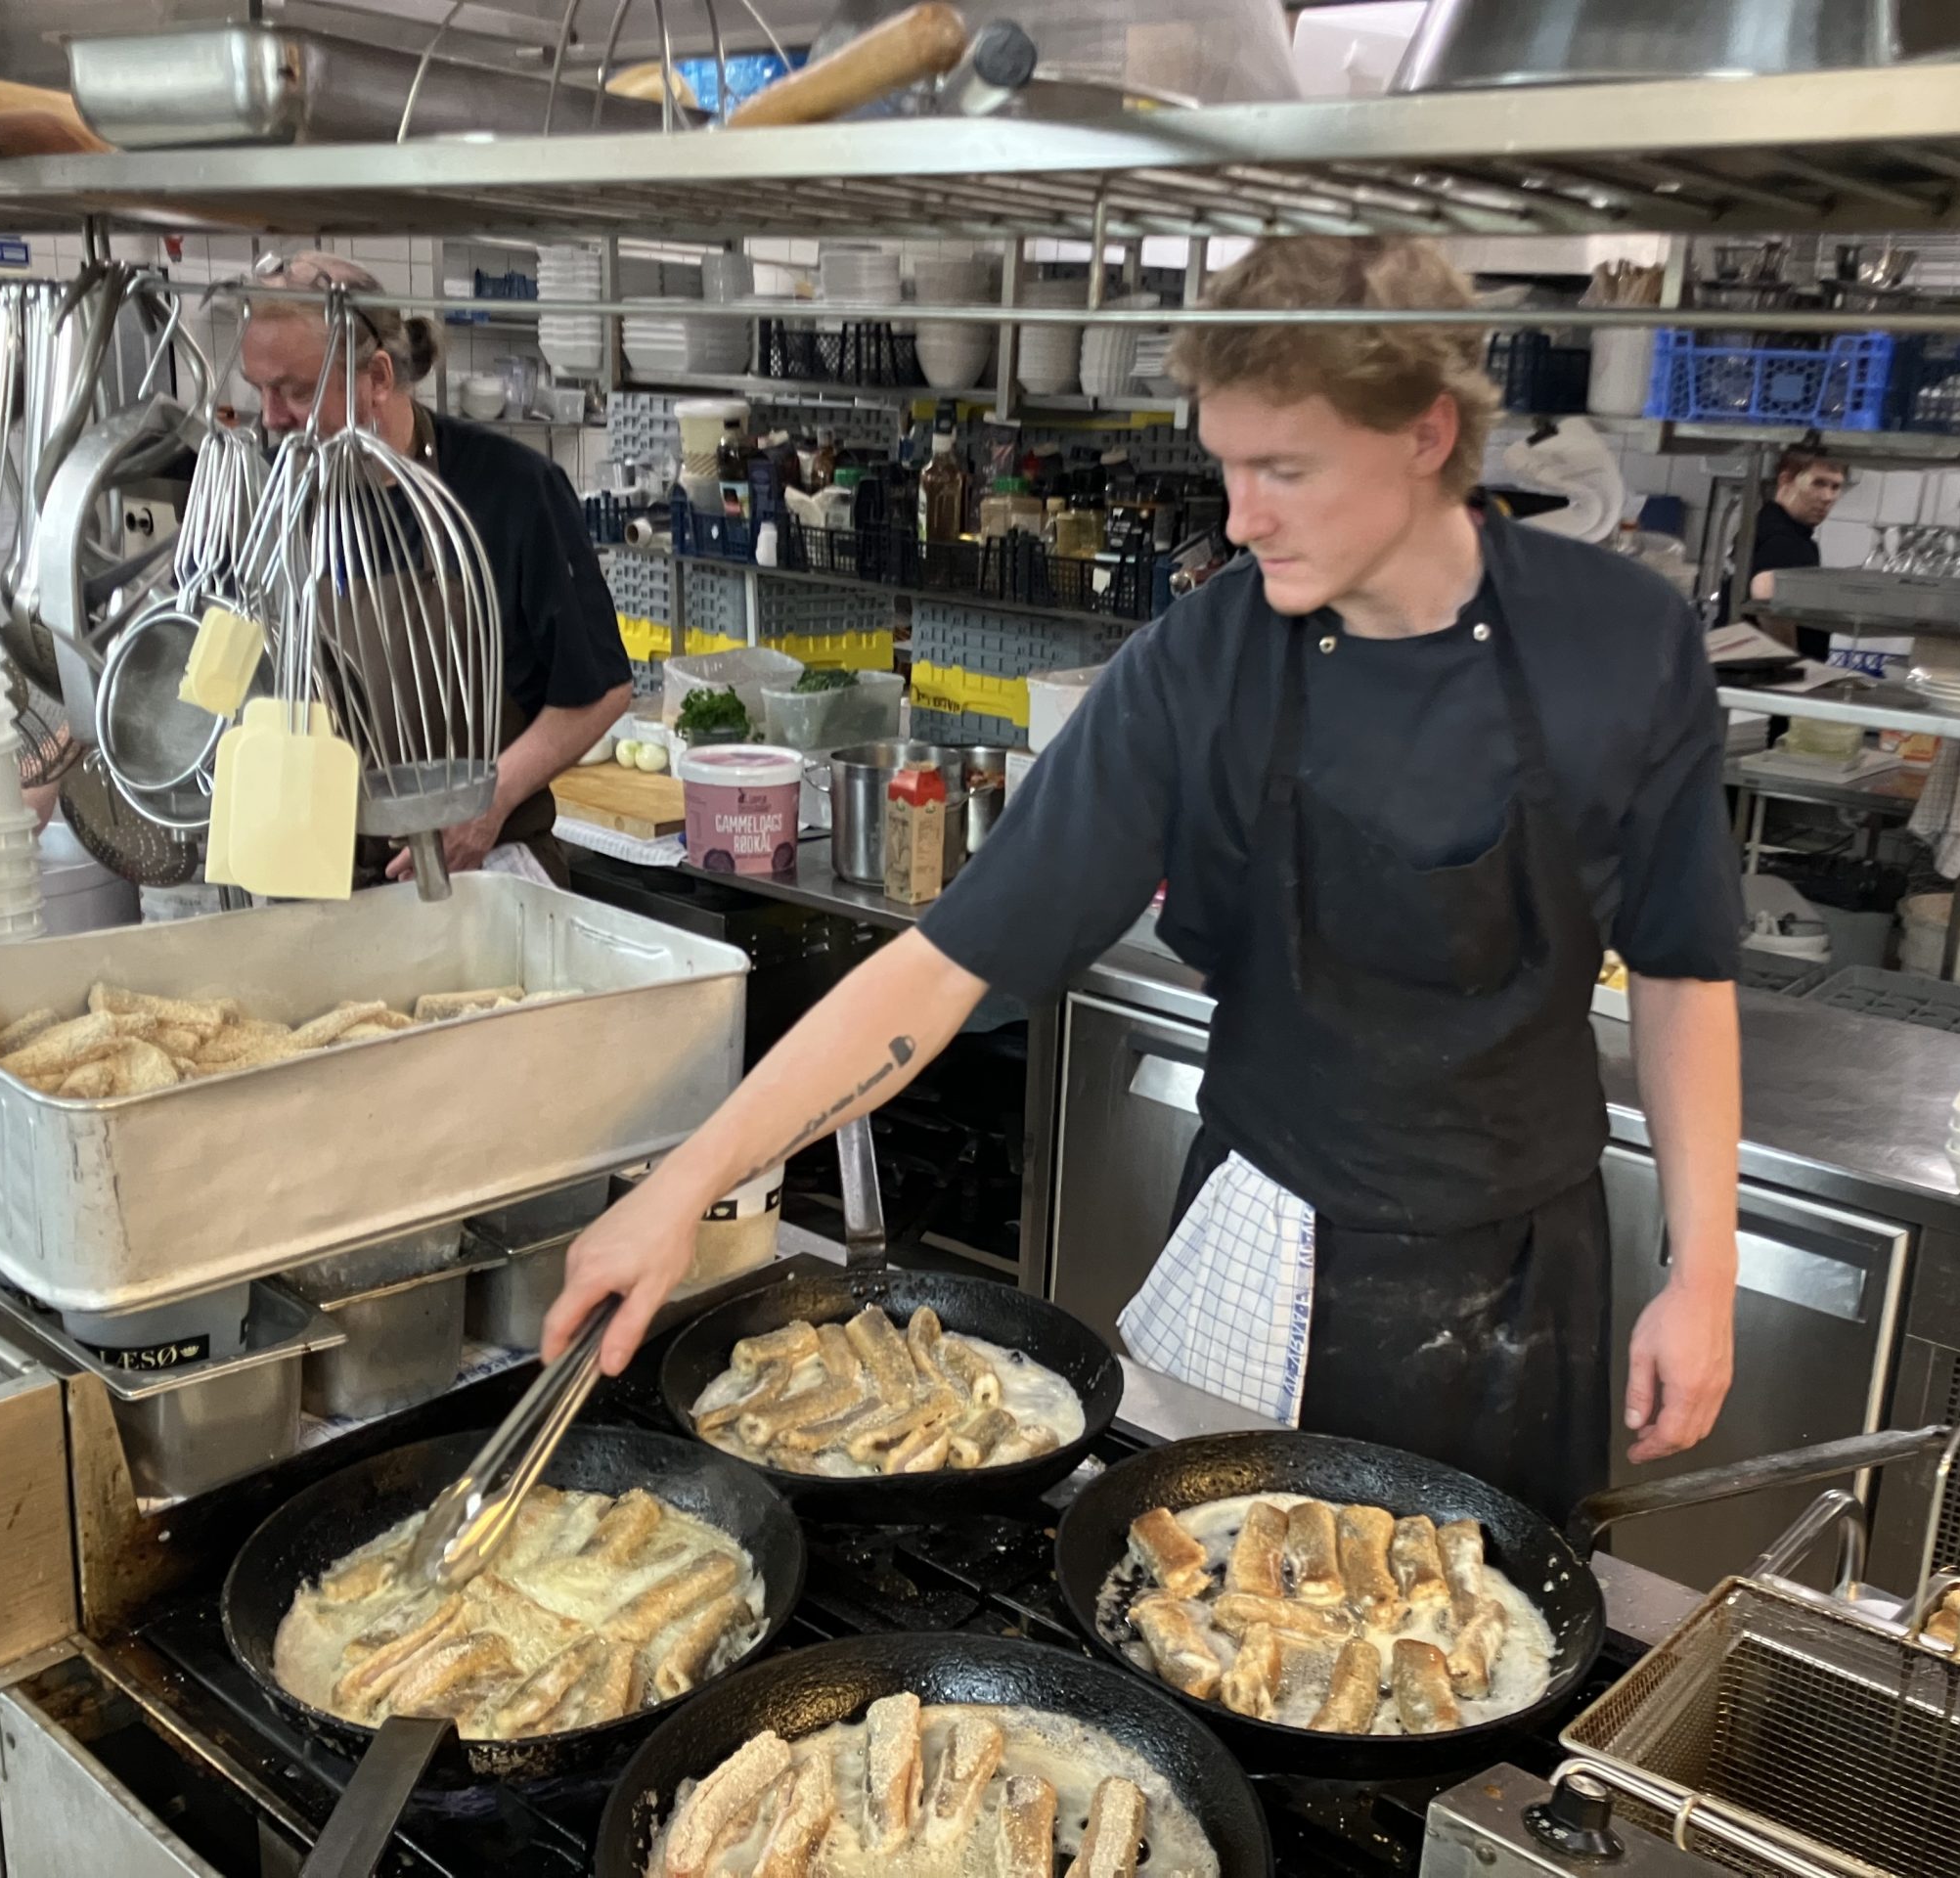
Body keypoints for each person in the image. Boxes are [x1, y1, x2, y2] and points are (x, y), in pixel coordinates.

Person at [544, 236, 1745, 1523]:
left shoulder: (1623, 644)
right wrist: (685, 1188)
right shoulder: (1206, 662)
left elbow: (1682, 970)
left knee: (1487, 1610)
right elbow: (944, 966)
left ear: (1425, 434)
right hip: (1273, 1241)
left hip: (1529, 1277)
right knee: (1223, 1597)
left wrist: (1705, 1274)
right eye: (1228, 465)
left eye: (1285, 469)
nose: (1241, 517)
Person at [239, 251, 635, 886]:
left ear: (377, 377)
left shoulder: (509, 488)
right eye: (259, 389)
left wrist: (487, 802)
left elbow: (600, 691)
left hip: (482, 867)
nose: (271, 418)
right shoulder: (277, 499)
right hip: (330, 876)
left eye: (296, 391)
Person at [1740, 444, 1848, 655]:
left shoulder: (1761, 523)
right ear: (1785, 480)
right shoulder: (1787, 539)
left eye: (1835, 487)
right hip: (1764, 669)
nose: (1827, 497)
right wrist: (1789, 661)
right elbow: (1766, 589)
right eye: (1818, 483)